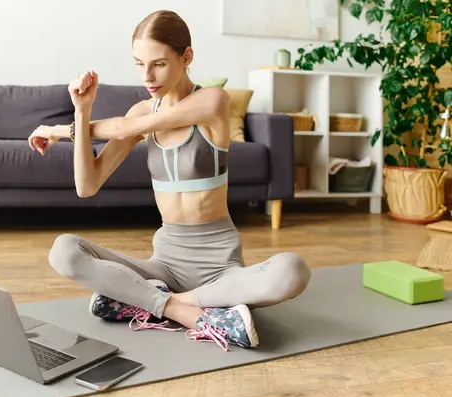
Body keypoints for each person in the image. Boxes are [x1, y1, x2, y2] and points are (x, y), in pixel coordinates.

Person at [28, 10, 311, 351]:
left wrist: (59, 130)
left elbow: (128, 128)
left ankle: (148, 300)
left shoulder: (212, 101)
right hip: (163, 265)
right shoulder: (141, 110)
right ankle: (184, 312)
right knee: (65, 251)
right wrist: (81, 110)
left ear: (186, 56)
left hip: (220, 269)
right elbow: (87, 186)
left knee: (292, 270)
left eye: (159, 64)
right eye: (138, 63)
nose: (147, 76)